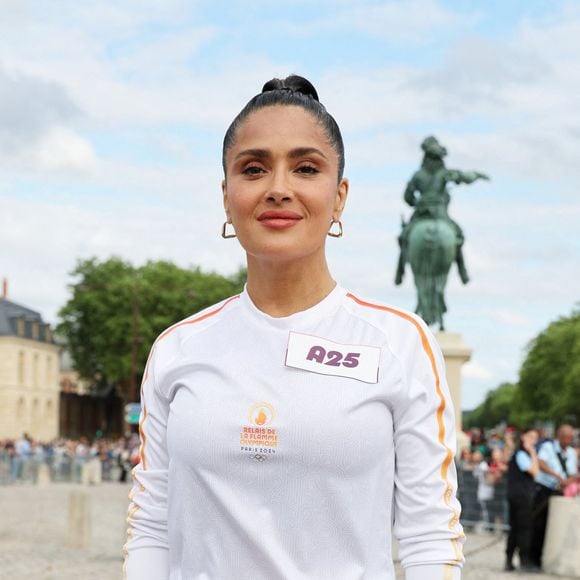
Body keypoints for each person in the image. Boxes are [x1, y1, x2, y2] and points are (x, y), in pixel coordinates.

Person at [124, 75, 464, 580]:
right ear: (226, 195)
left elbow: (429, 535)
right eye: (254, 168)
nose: (279, 189)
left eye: (306, 168)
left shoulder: (399, 342)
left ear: (340, 196)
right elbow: (152, 525)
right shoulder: (177, 349)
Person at [530, 424, 578, 569]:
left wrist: (568, 481)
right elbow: (541, 463)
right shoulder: (548, 448)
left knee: (554, 526)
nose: (567, 441)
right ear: (559, 436)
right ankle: (533, 559)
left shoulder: (571, 453)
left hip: (560, 492)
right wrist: (557, 476)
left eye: (570, 438)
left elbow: (573, 472)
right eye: (565, 438)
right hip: (545, 490)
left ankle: (547, 558)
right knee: (538, 525)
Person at [505, 428, 540, 573]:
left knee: (515, 529)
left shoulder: (518, 453)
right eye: (531, 436)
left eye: (535, 438)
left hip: (516, 495)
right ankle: (524, 561)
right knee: (524, 529)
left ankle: (509, 561)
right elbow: (535, 471)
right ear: (523, 437)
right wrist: (532, 452)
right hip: (521, 497)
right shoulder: (521, 454)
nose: (534, 440)